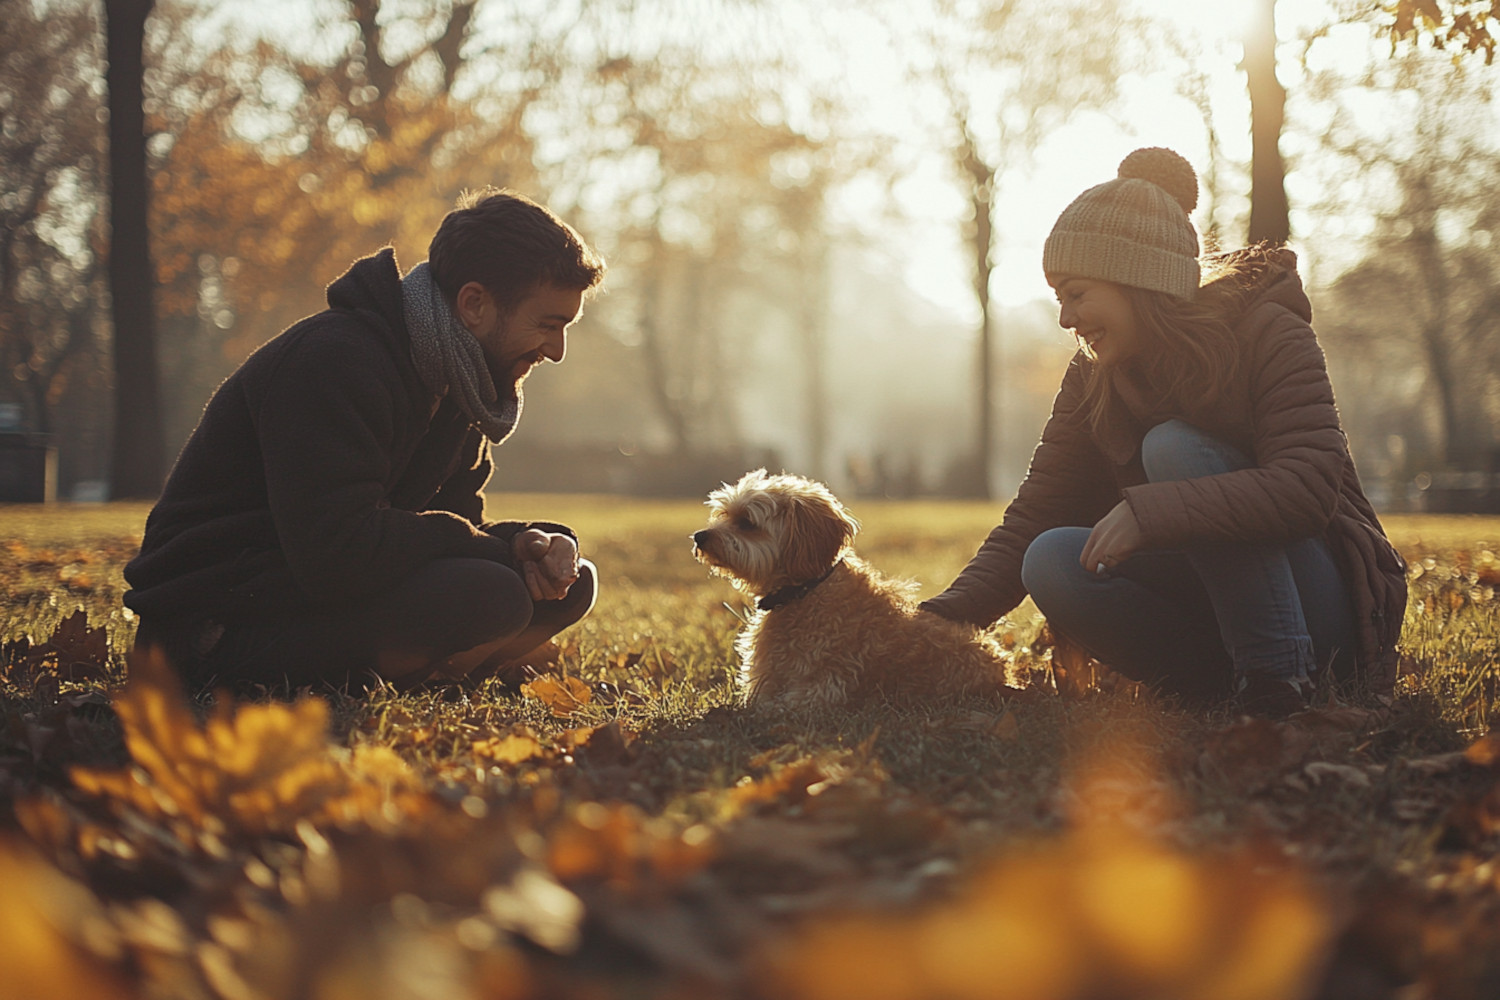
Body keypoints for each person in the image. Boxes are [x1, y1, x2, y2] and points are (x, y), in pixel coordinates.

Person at [920, 148, 1406, 718]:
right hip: (1215, 615)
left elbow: (1307, 488)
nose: (1066, 319)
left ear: (1136, 280)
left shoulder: (1269, 332)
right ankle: (1216, 686)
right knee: (1048, 557)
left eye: (1077, 294)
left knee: (1174, 447)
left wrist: (1152, 514)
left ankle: (1278, 680)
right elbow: (1038, 509)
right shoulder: (1092, 375)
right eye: (1059, 299)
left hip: (1325, 618)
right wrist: (933, 624)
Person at [125, 188, 606, 694]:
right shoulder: (335, 360)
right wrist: (492, 551)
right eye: (547, 325)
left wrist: (528, 545)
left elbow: (456, 521)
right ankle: (398, 674)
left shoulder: (459, 385)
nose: (556, 351)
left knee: (568, 585)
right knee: (494, 593)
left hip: (315, 594)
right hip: (214, 625)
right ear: (474, 304)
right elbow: (335, 554)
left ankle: (411, 674)